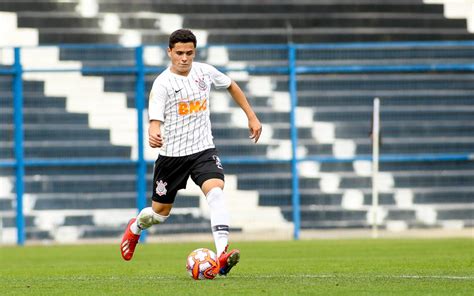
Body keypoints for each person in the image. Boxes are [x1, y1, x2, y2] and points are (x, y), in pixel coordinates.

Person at [120, 29, 262, 276]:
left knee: (215, 192)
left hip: (202, 150)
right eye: (179, 53)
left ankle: (221, 256)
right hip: (172, 157)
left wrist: (251, 116)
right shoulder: (163, 83)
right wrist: (154, 131)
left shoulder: (204, 72)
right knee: (159, 214)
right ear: (170, 52)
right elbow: (155, 119)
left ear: (195, 52)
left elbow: (231, 85)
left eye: (189, 53)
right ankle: (136, 227)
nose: (184, 58)